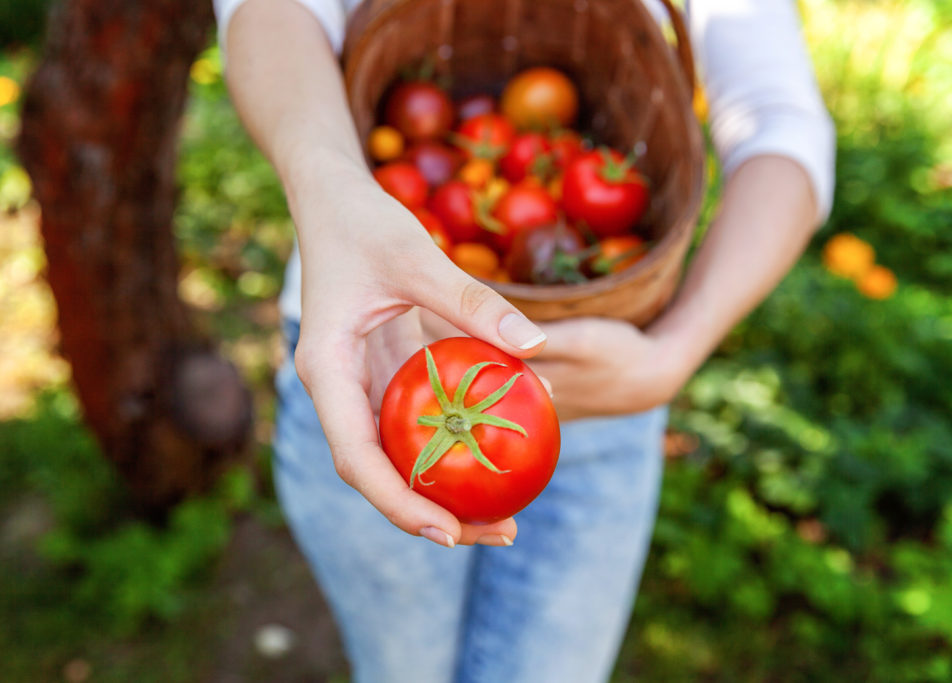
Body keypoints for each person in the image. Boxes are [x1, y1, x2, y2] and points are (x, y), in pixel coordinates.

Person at [213, 0, 835, 680]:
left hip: (605, 392)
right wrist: (328, 187)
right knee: (402, 669)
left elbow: (782, 123)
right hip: (371, 367)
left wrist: (672, 356)